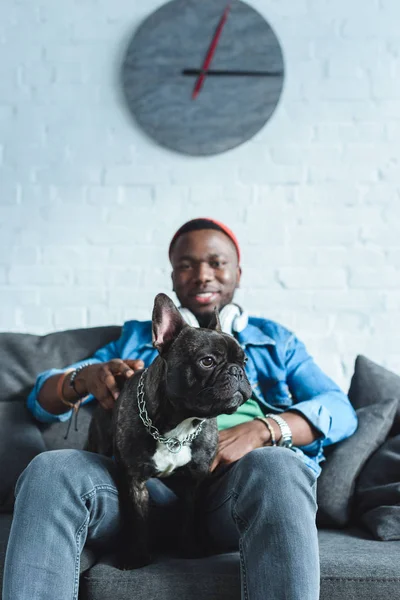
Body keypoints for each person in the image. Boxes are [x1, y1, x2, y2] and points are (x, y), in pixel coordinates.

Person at [3, 217, 358, 600]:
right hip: (132, 491)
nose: (203, 275)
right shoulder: (138, 338)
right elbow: (40, 402)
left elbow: (340, 409)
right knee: (50, 468)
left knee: (280, 464)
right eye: (187, 265)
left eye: (217, 263)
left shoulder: (276, 342)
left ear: (239, 272)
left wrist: (264, 430)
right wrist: (82, 378)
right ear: (172, 278)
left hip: (232, 490)